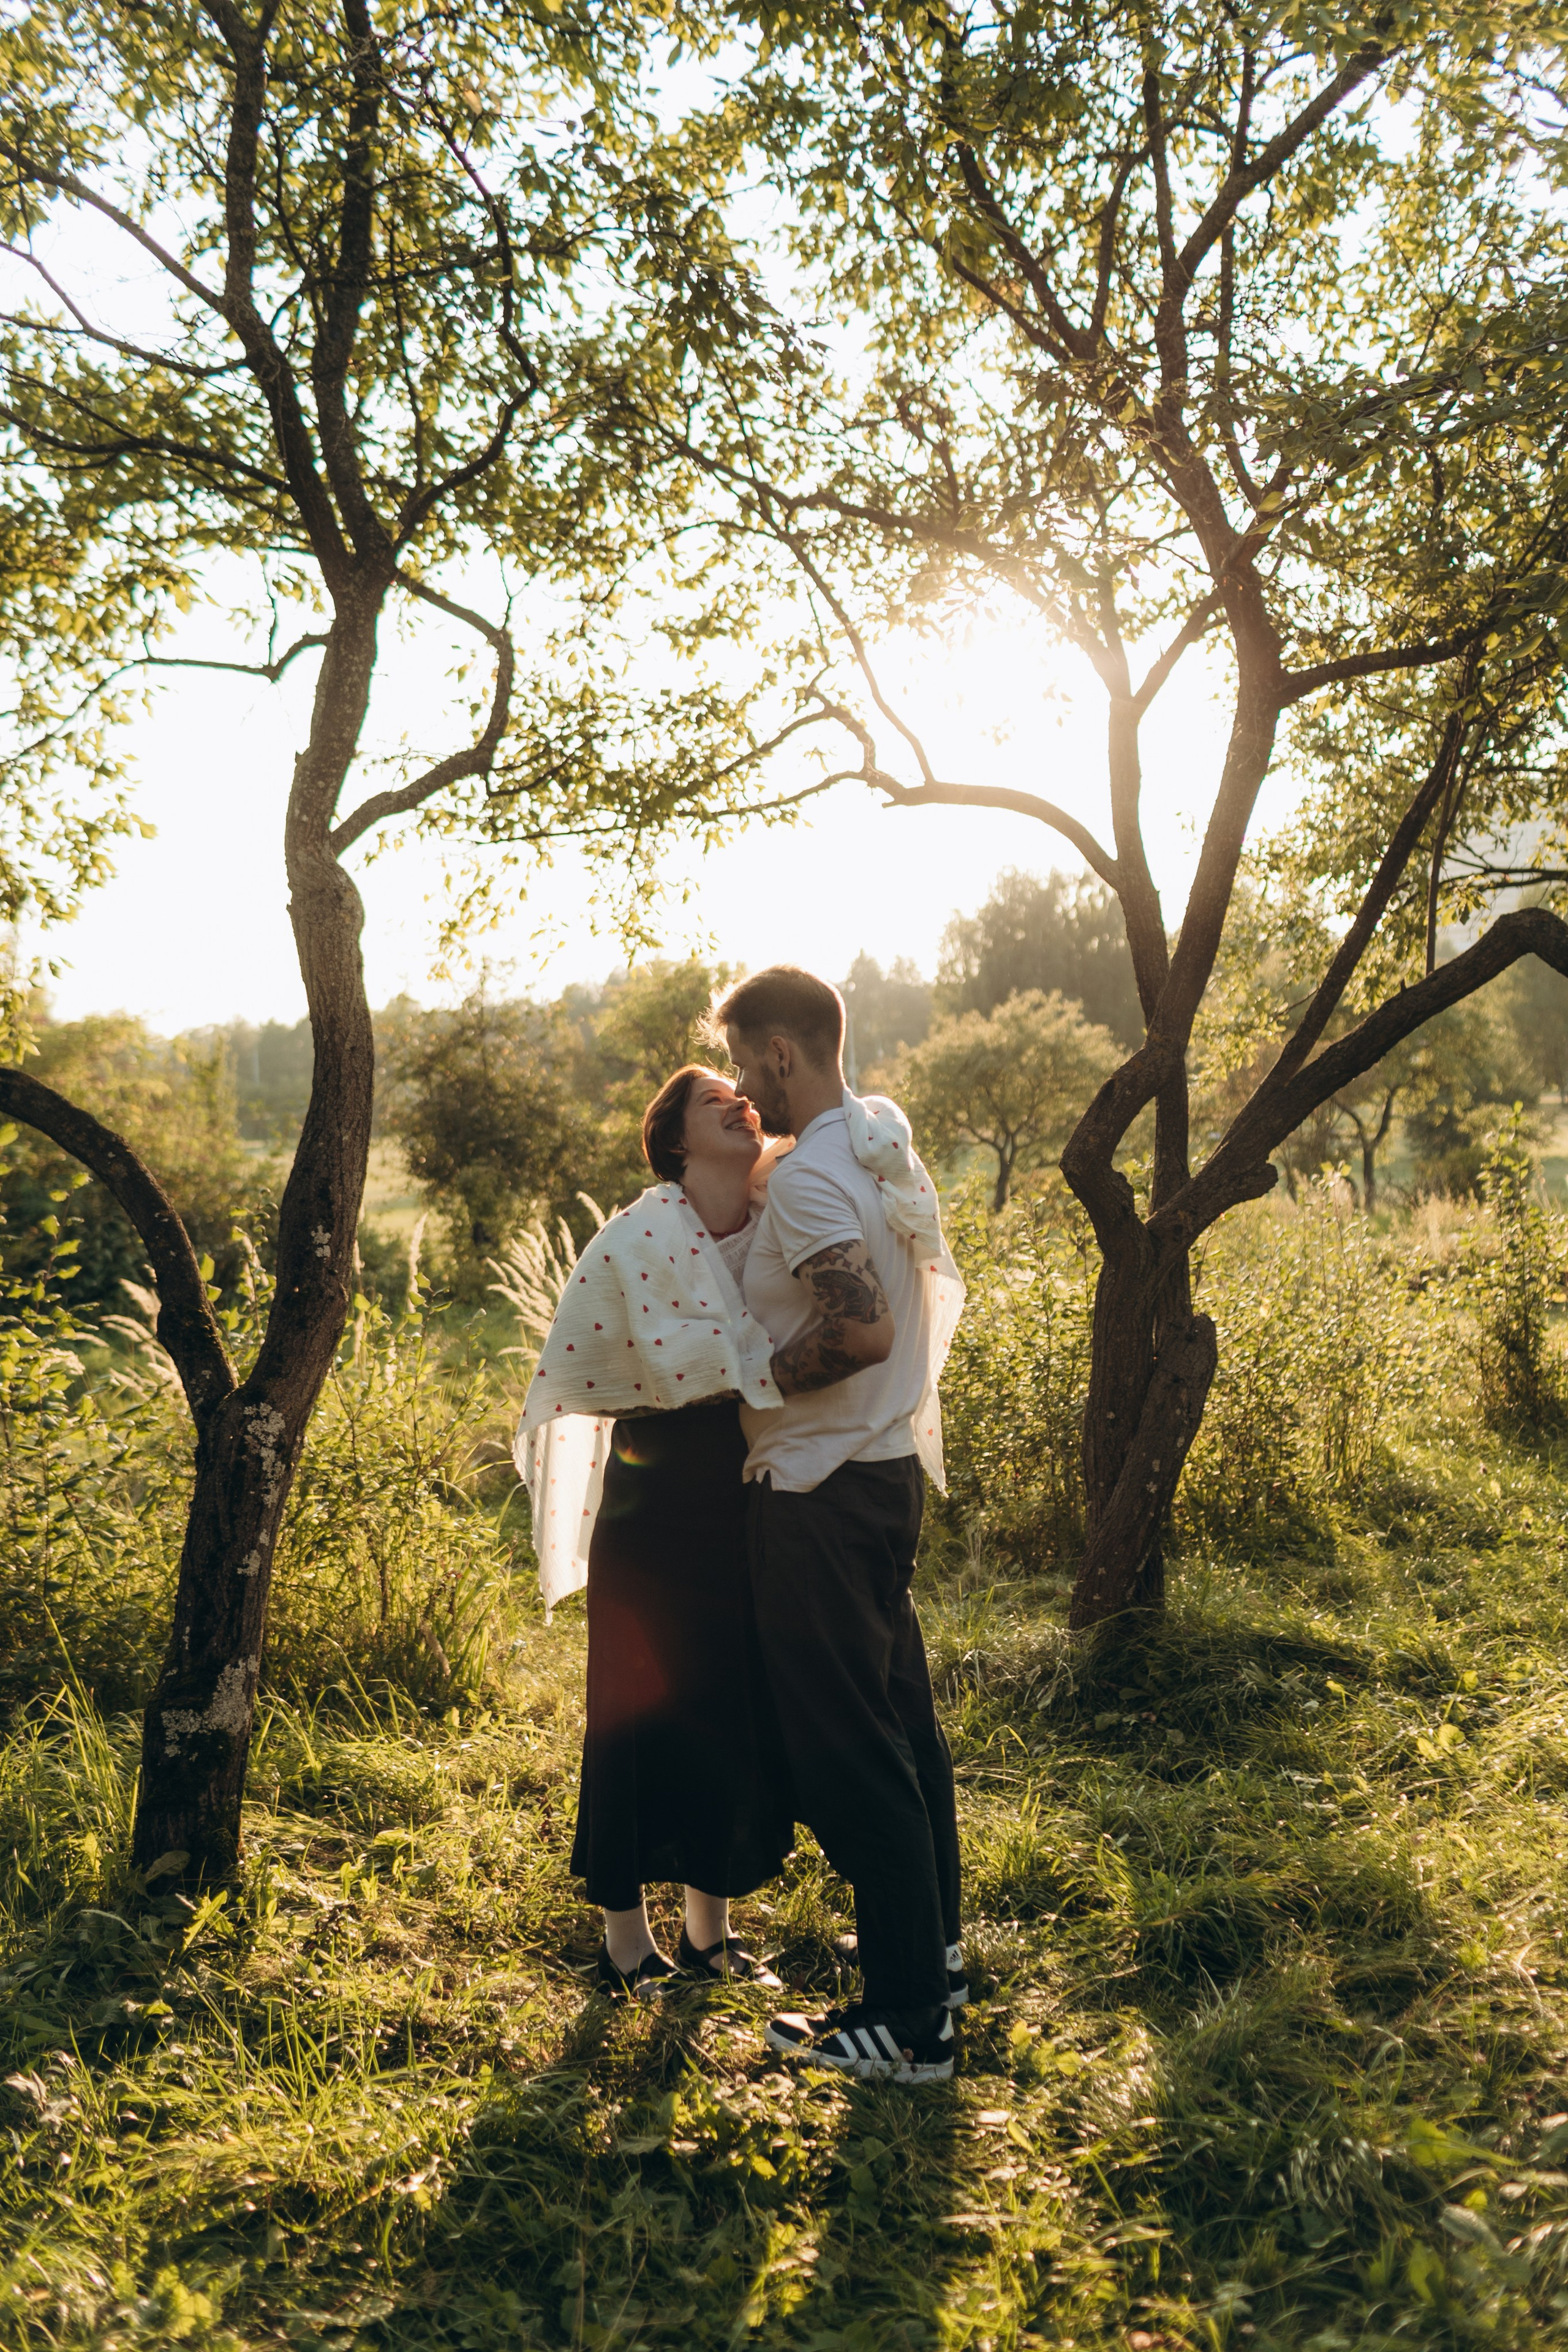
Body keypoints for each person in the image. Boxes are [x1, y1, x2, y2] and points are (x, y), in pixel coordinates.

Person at [717, 965, 967, 2086]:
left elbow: (859, 1329)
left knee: (850, 1756)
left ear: (779, 1054)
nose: (738, 1087)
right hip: (882, 1474)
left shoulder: (819, 1175)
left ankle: (910, 2026)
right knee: (905, 1733)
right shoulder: (878, 1143)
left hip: (821, 1489)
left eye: (740, 1062)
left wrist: (749, 1383)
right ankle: (936, 1966)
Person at [516, 1066, 794, 1997]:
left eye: (745, 1092)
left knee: (728, 1710)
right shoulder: (641, 1233)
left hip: (745, 1499)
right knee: (636, 1716)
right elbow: (599, 1361)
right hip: (653, 1507)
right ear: (673, 1137)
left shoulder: (772, 1224)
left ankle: (710, 1934)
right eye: (713, 1094)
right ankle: (624, 1942)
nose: (738, 1096)